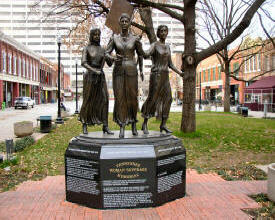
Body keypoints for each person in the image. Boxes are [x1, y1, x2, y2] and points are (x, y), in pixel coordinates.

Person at [106, 13, 144, 138]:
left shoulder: (135, 39)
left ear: (129, 23)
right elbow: (106, 53)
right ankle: (122, 125)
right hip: (118, 71)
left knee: (132, 98)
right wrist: (112, 57)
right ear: (119, 23)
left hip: (132, 70)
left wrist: (142, 70)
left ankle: (133, 123)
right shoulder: (114, 38)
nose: (124, 23)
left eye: (126, 21)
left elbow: (141, 55)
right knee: (120, 98)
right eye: (121, 21)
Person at [141, 25, 183, 134]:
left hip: (165, 76)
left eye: (165, 31)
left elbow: (170, 64)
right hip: (156, 75)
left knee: (168, 99)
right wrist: (139, 45)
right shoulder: (155, 45)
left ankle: (163, 125)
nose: (164, 33)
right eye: (161, 31)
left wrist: (180, 73)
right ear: (158, 33)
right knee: (153, 99)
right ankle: (145, 122)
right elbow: (145, 55)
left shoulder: (168, 47)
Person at [79, 28, 113, 135]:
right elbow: (83, 63)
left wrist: (109, 57)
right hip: (90, 77)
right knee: (88, 100)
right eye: (95, 35)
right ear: (91, 36)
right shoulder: (87, 48)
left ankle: (105, 125)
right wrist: (94, 70)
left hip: (100, 77)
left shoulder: (103, 49)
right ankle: (85, 124)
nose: (97, 36)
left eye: (99, 34)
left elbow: (110, 64)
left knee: (105, 99)